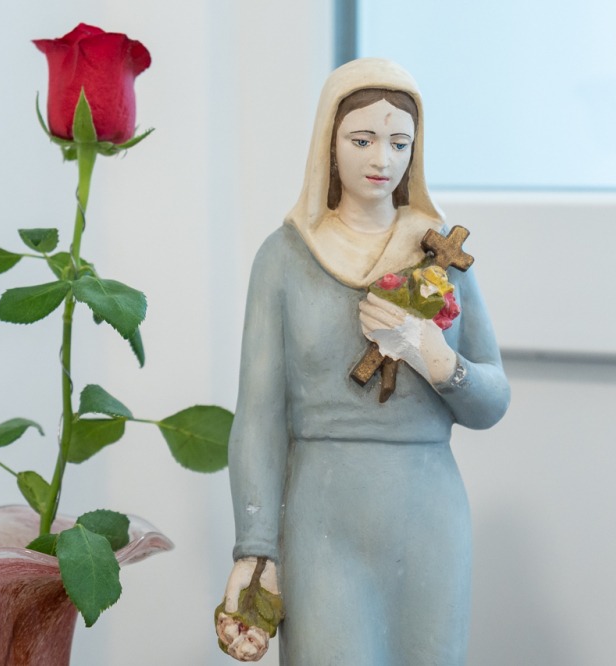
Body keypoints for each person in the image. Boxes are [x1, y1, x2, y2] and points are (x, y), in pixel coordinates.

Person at [216, 58, 510, 665]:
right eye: (362, 140)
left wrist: (435, 357)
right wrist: (255, 546)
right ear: (329, 142)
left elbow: (492, 399)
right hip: (324, 521)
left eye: (400, 142)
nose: (383, 159)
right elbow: (259, 415)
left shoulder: (440, 254)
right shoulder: (285, 257)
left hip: (428, 519)